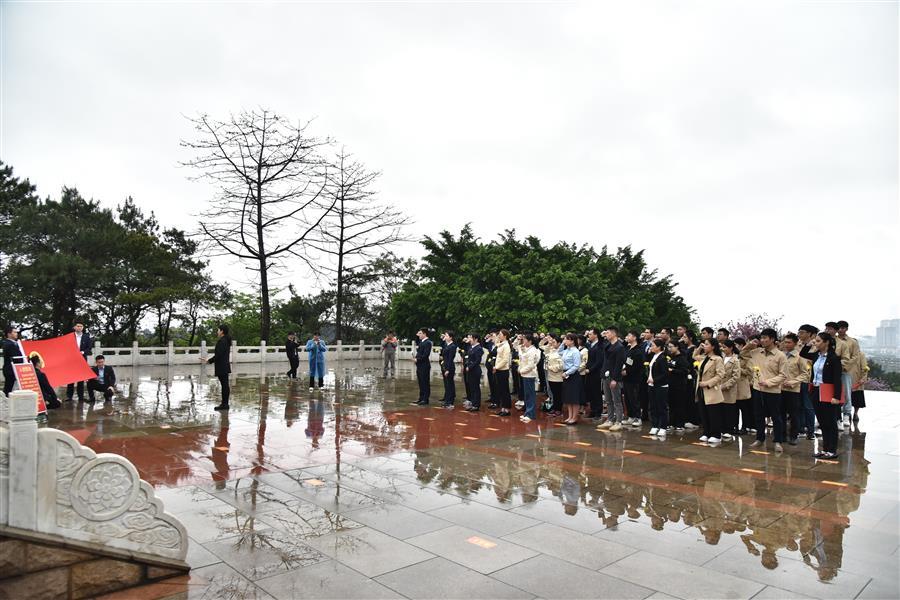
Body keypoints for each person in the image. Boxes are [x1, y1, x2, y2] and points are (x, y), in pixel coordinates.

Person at [742, 328, 787, 452]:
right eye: (761, 338)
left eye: (765, 338)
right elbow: (742, 354)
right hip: (758, 389)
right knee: (758, 415)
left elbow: (783, 375)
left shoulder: (780, 355)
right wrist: (749, 345)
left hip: (773, 391)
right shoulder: (757, 352)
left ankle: (778, 441)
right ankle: (759, 438)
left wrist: (768, 382)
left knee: (776, 417)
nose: (762, 340)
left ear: (772, 339)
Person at [800, 332, 844, 458]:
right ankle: (825, 449)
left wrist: (836, 396)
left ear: (827, 343)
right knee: (822, 422)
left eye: (818, 341)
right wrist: (809, 344)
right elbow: (802, 354)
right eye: (816, 341)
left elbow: (837, 379)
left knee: (830, 421)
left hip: (828, 392)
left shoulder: (834, 358)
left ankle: (832, 450)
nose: (816, 343)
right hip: (816, 390)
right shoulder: (816, 356)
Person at [695, 339, 726, 444]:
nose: (705, 346)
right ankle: (706, 432)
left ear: (713, 347)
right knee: (703, 412)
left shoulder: (717, 359)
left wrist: (708, 383)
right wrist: (699, 347)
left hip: (711, 389)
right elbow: (694, 356)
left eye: (707, 344)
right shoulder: (704, 358)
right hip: (700, 389)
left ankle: (716, 434)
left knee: (713, 413)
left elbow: (721, 375)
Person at [598, 326, 627, 431]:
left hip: (614, 376)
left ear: (614, 334)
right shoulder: (608, 345)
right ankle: (610, 419)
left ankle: (619, 421)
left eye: (608, 333)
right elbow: (601, 345)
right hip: (605, 375)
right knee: (608, 400)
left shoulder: (619, 347)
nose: (607, 334)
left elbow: (619, 364)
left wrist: (615, 379)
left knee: (617, 400)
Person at [781, 333, 807, 445]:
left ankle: (793, 436)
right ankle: (781, 435)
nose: (786, 344)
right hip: (779, 389)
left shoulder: (800, 357)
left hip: (793, 390)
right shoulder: (781, 355)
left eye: (789, 342)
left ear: (795, 343)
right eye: (785, 342)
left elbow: (805, 374)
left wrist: (793, 382)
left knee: (794, 414)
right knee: (780, 413)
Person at [835, 320, 859, 428]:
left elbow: (855, 356)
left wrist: (844, 366)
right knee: (834, 393)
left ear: (846, 329)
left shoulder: (852, 342)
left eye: (843, 328)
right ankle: (836, 416)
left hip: (845, 371)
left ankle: (846, 414)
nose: (840, 330)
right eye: (839, 328)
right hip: (832, 371)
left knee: (846, 393)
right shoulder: (832, 340)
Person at [202, 324, 232, 411]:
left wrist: (209, 360)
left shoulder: (222, 341)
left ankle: (224, 404)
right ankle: (225, 404)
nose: (217, 332)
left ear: (222, 331)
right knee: (225, 385)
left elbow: (218, 355)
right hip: (224, 365)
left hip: (222, 366)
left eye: (218, 330)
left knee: (225, 385)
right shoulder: (226, 340)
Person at [797, 325, 819, 439]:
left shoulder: (817, 347)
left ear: (810, 334)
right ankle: (801, 428)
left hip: (810, 379)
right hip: (798, 378)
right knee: (800, 405)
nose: (799, 334)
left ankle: (810, 431)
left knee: (808, 406)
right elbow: (801, 354)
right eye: (799, 332)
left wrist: (812, 344)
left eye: (802, 332)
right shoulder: (798, 344)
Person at [666, 341, 691, 432]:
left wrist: (672, 370)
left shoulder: (682, 359)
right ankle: (672, 423)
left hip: (679, 386)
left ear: (677, 347)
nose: (669, 349)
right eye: (668, 347)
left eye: (671, 347)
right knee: (671, 405)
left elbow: (685, 371)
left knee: (679, 405)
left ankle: (680, 424)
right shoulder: (671, 358)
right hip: (671, 385)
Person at [646, 338, 668, 438]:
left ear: (659, 347)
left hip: (660, 386)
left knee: (661, 406)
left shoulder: (663, 357)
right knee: (653, 406)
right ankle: (655, 425)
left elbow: (664, 373)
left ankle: (663, 427)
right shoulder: (653, 356)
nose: (651, 347)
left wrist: (654, 380)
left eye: (653, 345)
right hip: (651, 385)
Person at [622, 330, 645, 427]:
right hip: (626, 377)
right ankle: (630, 416)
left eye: (629, 335)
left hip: (634, 378)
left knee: (634, 398)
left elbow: (637, 365)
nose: (627, 337)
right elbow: (626, 362)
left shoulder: (638, 350)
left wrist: (628, 371)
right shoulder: (628, 348)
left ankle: (637, 417)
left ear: (635, 337)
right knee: (627, 398)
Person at [66, 322, 93, 402]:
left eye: (81, 326)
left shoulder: (86, 337)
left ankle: (80, 397)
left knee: (81, 379)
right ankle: (69, 396)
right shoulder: (70, 336)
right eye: (78, 326)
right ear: (74, 327)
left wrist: (83, 352)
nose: (79, 327)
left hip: (82, 360)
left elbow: (89, 349)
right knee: (71, 378)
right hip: (71, 360)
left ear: (83, 328)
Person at [560, 333, 583, 425]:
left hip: (572, 375)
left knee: (574, 398)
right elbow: (558, 351)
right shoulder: (566, 350)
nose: (565, 341)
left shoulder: (575, 351)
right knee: (568, 398)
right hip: (566, 375)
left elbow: (576, 366)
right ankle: (570, 416)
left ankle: (574, 417)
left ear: (572, 341)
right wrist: (562, 343)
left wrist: (567, 373)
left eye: (567, 339)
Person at [720, 339, 740, 440]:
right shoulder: (721, 358)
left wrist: (725, 385)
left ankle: (729, 429)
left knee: (729, 409)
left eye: (725, 347)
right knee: (721, 409)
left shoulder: (735, 360)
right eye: (722, 347)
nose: (723, 349)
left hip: (729, 389)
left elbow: (736, 377)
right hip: (718, 388)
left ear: (731, 348)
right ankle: (722, 428)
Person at [733, 337, 755, 435]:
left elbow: (749, 372)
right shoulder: (733, 357)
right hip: (734, 385)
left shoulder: (747, 358)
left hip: (742, 385)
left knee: (744, 408)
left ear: (742, 346)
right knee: (734, 408)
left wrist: (738, 369)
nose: (735, 347)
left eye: (737, 345)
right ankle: (735, 426)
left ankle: (745, 426)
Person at [517, 333, 540, 423]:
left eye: (525, 339)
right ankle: (527, 412)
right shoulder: (526, 349)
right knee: (527, 394)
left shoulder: (532, 350)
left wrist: (522, 370)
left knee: (530, 395)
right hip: (525, 374)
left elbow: (531, 365)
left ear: (529, 341)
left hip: (529, 374)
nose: (523, 341)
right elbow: (522, 359)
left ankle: (531, 414)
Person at [584, 328, 605, 421]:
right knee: (591, 391)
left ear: (596, 335)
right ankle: (592, 410)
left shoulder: (599, 346)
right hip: (589, 371)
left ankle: (598, 411)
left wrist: (591, 369)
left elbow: (599, 361)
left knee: (596, 392)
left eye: (591, 334)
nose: (589, 335)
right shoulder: (591, 345)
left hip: (595, 372)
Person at [542, 335, 565, 417]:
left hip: (557, 376)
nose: (552, 343)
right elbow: (541, 347)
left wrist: (552, 368)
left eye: (554, 342)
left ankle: (558, 410)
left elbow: (562, 365)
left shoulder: (561, 352)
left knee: (558, 394)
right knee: (554, 394)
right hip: (550, 376)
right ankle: (554, 408)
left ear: (559, 343)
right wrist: (548, 342)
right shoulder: (551, 350)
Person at [493, 329, 512, 416]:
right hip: (499, 370)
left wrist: (496, 367)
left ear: (505, 336)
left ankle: (507, 409)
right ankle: (503, 408)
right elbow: (496, 343)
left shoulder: (506, 346)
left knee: (505, 390)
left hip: (503, 370)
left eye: (500, 334)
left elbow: (505, 360)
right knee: (500, 390)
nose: (498, 336)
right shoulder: (501, 344)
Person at [412, 328, 433, 405]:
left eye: (420, 333)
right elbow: (417, 344)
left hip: (424, 365)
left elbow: (425, 355)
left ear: (425, 334)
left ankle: (425, 399)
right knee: (420, 382)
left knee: (425, 382)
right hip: (420, 365)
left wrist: (418, 360)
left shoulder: (428, 342)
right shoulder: (422, 342)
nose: (419, 335)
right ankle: (421, 398)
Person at [464, 333, 484, 412]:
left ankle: (476, 405)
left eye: (471, 338)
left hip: (475, 370)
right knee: (471, 388)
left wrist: (470, 366)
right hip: (470, 370)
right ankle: (473, 403)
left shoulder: (479, 348)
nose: (469, 340)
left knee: (475, 388)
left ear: (476, 339)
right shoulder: (471, 347)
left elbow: (477, 361)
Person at [440, 331, 458, 408]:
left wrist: (447, 369)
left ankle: (450, 402)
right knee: (447, 385)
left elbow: (450, 359)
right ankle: (447, 400)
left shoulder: (452, 346)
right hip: (445, 366)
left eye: (446, 336)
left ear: (451, 337)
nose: (445, 337)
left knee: (450, 385)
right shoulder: (447, 345)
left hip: (449, 367)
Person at [2, 325, 21, 395]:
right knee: (8, 390)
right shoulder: (9, 344)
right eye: (14, 332)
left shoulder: (14, 343)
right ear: (9, 334)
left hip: (12, 370)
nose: (16, 334)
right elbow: (17, 358)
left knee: (10, 389)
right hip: (10, 370)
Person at [850, 349, 868, 422]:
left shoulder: (861, 354)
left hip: (857, 380)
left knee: (857, 399)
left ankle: (855, 413)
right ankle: (847, 413)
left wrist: (863, 378)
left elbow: (865, 368)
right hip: (847, 379)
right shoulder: (846, 353)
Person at [484, 331, 497, 409]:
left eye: (493, 336)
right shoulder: (491, 344)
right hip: (489, 365)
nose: (492, 337)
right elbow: (484, 344)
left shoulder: (498, 345)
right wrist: (486, 338)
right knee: (491, 383)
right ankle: (492, 397)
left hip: (495, 366)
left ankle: (496, 400)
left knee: (495, 384)